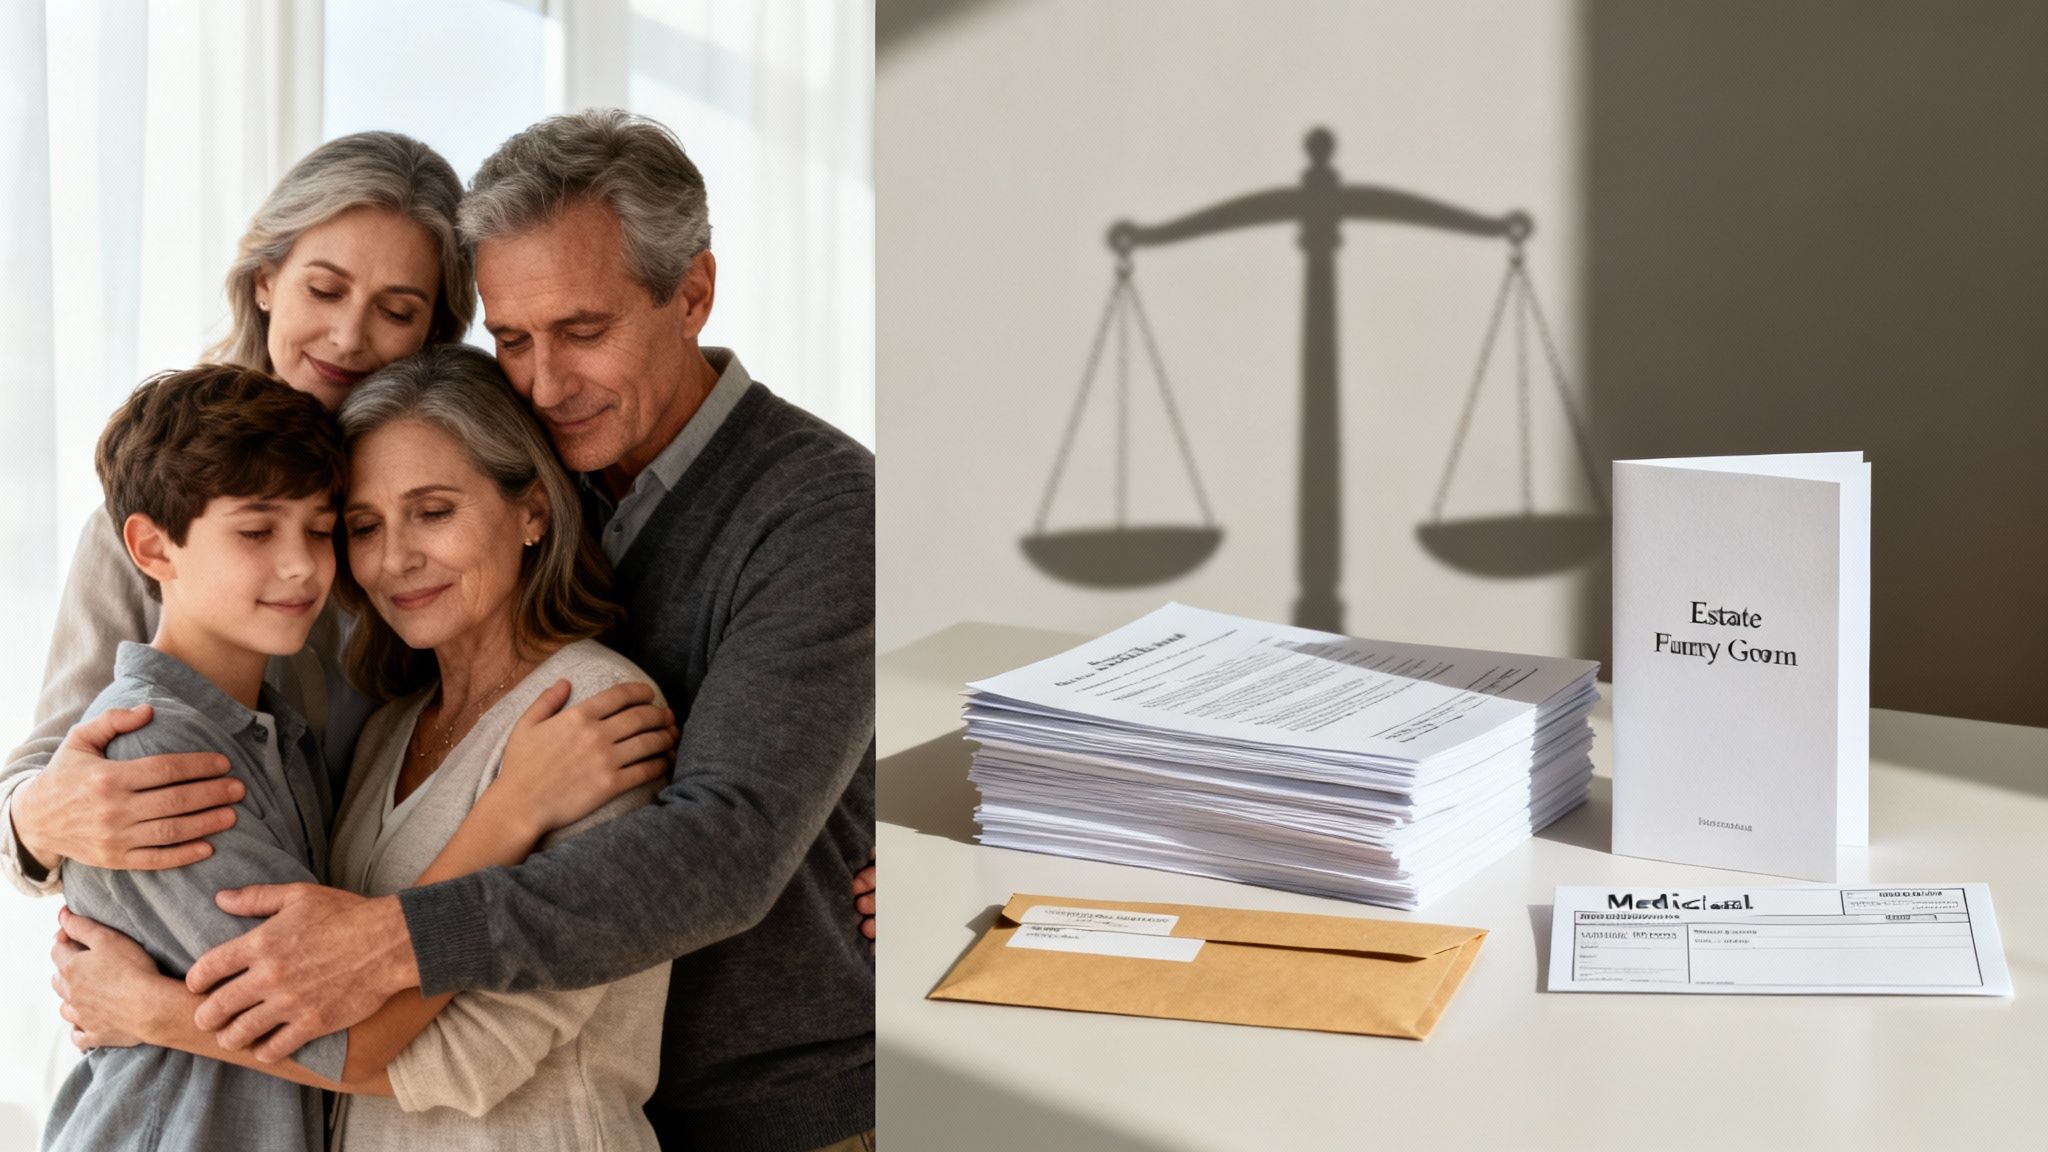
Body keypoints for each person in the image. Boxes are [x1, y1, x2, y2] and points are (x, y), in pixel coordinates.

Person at [124, 110, 879, 1152]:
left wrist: (386, 943)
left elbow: (731, 841)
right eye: (511, 340)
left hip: (776, 1108)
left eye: (582, 330)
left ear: (692, 294)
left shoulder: (819, 506)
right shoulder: (522, 508)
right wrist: (41, 818)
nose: (543, 382)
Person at [60, 346, 677, 1150]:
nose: (393, 559)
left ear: (532, 510)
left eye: (434, 511)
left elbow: (468, 1055)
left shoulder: (589, 715)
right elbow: (323, 991)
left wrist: (156, 1014)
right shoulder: (385, 730)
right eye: (363, 526)